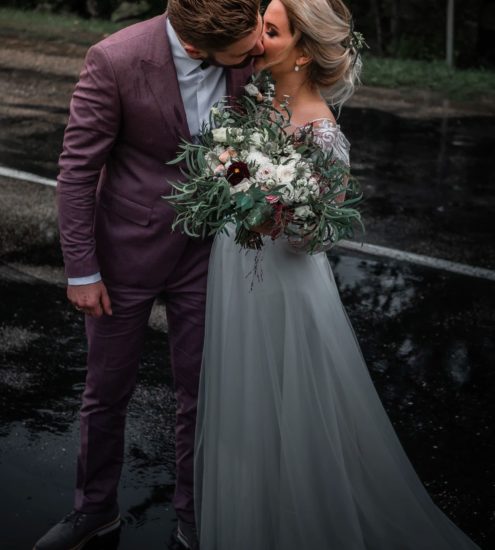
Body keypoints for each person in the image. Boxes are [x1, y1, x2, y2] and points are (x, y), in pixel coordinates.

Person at [194, 1, 482, 549]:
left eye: (271, 31)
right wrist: (230, 169)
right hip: (236, 268)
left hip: (284, 285)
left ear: (302, 53)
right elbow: (236, 177)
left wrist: (280, 211)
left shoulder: (322, 132)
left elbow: (319, 235)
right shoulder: (258, 99)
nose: (256, 38)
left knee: (290, 411)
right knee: (246, 410)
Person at [33, 1, 263, 549]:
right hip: (124, 255)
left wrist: (253, 191)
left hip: (207, 253)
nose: (259, 51)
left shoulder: (246, 54)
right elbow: (77, 170)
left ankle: (194, 518)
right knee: (106, 392)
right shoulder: (114, 60)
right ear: (196, 47)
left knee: (202, 394)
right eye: (244, 52)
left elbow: (237, 150)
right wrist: (81, 270)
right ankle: (94, 510)